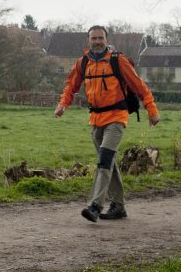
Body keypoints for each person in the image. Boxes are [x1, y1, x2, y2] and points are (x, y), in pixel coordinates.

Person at [55, 25, 160, 222]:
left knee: (104, 160)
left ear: (106, 39)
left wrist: (152, 110)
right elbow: (71, 87)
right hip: (96, 119)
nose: (97, 42)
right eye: (93, 38)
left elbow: (140, 86)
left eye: (100, 38)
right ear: (88, 40)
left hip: (116, 117)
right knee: (108, 162)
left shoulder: (118, 61)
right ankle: (119, 206)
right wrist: (63, 105)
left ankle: (95, 206)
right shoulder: (83, 63)